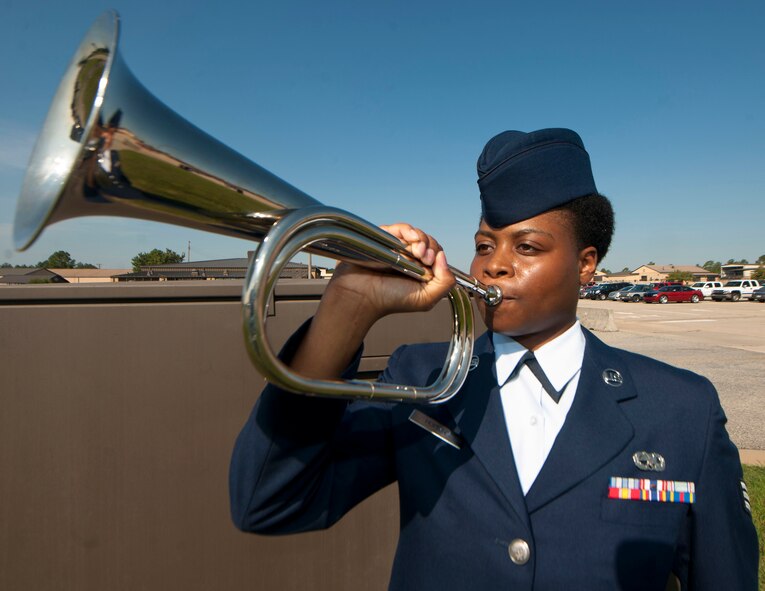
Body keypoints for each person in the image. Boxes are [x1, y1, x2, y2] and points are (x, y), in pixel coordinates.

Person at [229, 128, 759, 590]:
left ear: (586, 265)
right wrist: (347, 311)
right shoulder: (421, 377)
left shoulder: (682, 408)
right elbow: (268, 503)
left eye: (526, 247)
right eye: (485, 245)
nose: (494, 268)